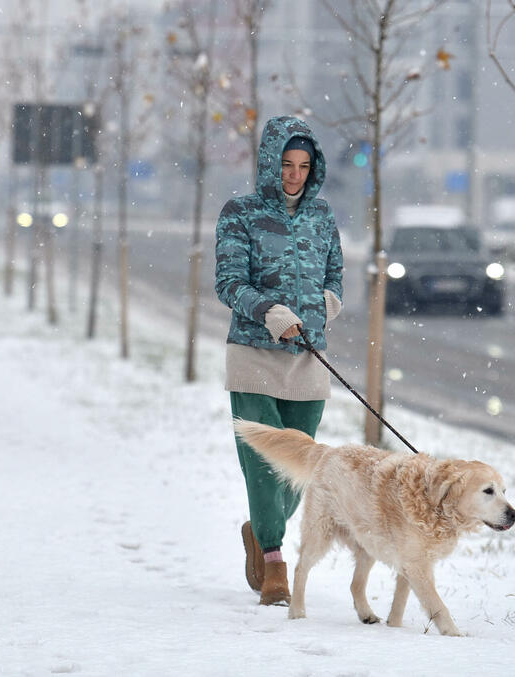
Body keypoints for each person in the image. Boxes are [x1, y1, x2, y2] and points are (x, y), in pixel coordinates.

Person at [214, 115, 343, 606]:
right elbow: (228, 282)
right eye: (286, 165)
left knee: (301, 466)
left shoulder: (323, 215)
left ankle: (259, 526)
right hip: (252, 355)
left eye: (304, 166)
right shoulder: (240, 213)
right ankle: (274, 561)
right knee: (265, 463)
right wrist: (269, 311)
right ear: (270, 163)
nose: (294, 175)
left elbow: (335, 273)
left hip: (307, 357)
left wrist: (326, 304)